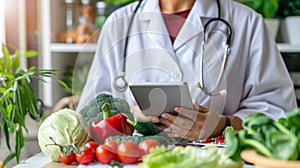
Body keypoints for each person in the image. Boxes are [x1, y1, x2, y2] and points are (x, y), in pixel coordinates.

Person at [77, 0, 297, 141]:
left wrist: (223, 125)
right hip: (137, 159)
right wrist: (131, 117)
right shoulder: (119, 23)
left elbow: (279, 113)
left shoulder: (247, 22)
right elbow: (92, 112)